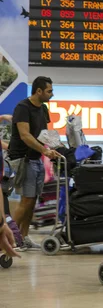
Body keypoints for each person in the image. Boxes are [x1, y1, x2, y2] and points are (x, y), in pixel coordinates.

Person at [8, 76, 61, 250]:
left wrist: (57, 147)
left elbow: (44, 134)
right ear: (38, 91)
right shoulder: (23, 107)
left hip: (36, 159)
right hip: (22, 159)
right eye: (49, 91)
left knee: (32, 201)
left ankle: (23, 238)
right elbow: (25, 135)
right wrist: (44, 150)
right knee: (26, 201)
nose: (52, 94)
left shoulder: (43, 109)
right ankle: (7, 238)